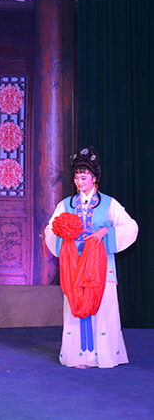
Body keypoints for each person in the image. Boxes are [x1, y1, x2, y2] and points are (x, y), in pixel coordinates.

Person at [44, 146, 138, 369]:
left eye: (84, 177)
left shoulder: (109, 203)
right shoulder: (66, 205)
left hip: (101, 266)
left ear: (94, 178)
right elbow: (50, 230)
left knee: (102, 309)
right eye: (76, 177)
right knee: (76, 307)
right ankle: (79, 357)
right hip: (75, 266)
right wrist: (64, 237)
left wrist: (106, 232)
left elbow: (131, 227)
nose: (79, 181)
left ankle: (104, 356)